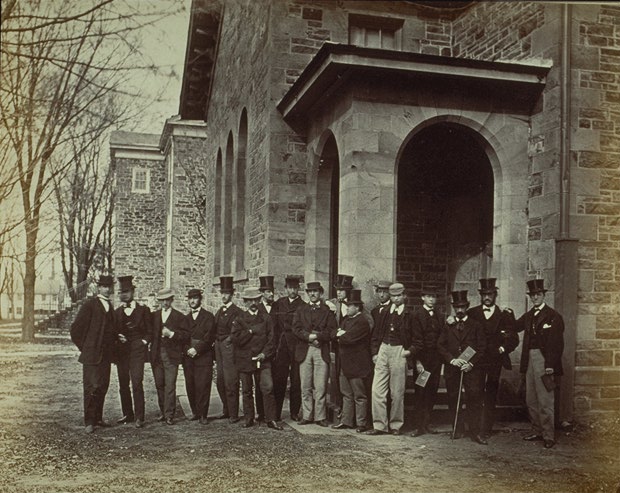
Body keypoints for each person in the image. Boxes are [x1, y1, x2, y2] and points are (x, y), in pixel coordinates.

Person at [515, 279, 565, 449]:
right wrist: (506, 314)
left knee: (545, 399)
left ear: (544, 295)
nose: (535, 297)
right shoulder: (529, 315)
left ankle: (548, 435)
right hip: (529, 358)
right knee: (531, 398)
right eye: (532, 295)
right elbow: (515, 326)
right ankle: (537, 430)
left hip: (545, 359)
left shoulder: (553, 316)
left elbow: (556, 344)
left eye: (538, 294)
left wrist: (550, 364)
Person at [467, 278, 519, 440]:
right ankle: (473, 428)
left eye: (490, 294)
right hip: (477, 361)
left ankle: (486, 428)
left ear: (495, 295)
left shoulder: (505, 314)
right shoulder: (472, 313)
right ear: (481, 296)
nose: (487, 297)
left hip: (495, 360)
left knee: (490, 394)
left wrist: (503, 348)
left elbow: (513, 338)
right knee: (475, 393)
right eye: (484, 294)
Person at [437, 290, 487, 445]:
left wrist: (471, 363)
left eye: (462, 307)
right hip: (453, 369)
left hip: (471, 370)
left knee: (474, 398)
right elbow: (440, 345)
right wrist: (452, 360)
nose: (459, 310)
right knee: (453, 398)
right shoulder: (448, 325)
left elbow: (482, 347)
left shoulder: (476, 325)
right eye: (456, 307)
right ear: (453, 307)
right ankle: (457, 429)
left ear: (467, 307)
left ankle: (475, 432)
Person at [231, 287, 283, 430]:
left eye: (255, 300)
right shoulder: (239, 319)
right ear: (245, 302)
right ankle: (249, 418)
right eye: (250, 301)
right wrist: (250, 331)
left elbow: (272, 339)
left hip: (263, 359)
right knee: (247, 390)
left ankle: (270, 419)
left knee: (268, 388)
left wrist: (264, 354)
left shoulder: (266, 318)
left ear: (259, 300)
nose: (253, 303)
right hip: (245, 359)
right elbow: (236, 340)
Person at [366, 282, 415, 436]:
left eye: (399, 295)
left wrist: (409, 352)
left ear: (404, 296)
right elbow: (375, 334)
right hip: (383, 349)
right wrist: (375, 353)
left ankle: (396, 425)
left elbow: (417, 339)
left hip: (399, 350)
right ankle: (379, 425)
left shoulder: (410, 314)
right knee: (377, 390)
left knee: (397, 392)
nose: (396, 299)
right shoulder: (384, 312)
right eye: (393, 296)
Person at [70, 275, 116, 434]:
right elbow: (75, 330)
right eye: (104, 286)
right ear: (99, 287)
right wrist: (86, 347)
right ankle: (89, 421)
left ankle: (98, 418)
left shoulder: (110, 306)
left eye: (109, 286)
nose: (107, 289)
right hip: (92, 356)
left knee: (102, 386)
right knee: (91, 387)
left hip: (106, 356)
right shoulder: (90, 305)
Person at [293, 281, 338, 427]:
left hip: (321, 350)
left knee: (320, 386)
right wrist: (309, 337)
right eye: (310, 291)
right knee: (305, 385)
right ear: (307, 293)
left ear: (321, 293)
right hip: (305, 350)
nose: (312, 294)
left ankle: (320, 416)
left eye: (315, 291)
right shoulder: (301, 310)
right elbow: (296, 328)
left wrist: (319, 337)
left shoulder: (327, 311)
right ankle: (307, 415)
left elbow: (332, 330)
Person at [113, 275, 152, 428]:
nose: (124, 295)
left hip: (137, 352)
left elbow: (150, 332)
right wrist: (118, 337)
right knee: (123, 384)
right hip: (122, 353)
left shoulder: (143, 310)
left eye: (127, 291)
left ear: (133, 292)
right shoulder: (117, 313)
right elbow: (113, 331)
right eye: (122, 292)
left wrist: (143, 342)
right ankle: (128, 414)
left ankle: (139, 416)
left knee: (137, 382)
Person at [332, 289, 372, 432]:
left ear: (357, 307)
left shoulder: (362, 322)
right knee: (346, 394)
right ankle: (347, 421)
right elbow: (334, 334)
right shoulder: (347, 320)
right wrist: (340, 334)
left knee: (359, 395)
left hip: (357, 365)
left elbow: (349, 339)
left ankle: (361, 423)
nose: (347, 308)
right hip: (345, 364)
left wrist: (341, 335)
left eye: (349, 306)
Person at [150, 288, 189, 425]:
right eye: (162, 300)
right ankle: (163, 411)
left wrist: (171, 334)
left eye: (168, 300)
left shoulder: (179, 317)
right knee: (159, 384)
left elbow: (185, 336)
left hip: (171, 356)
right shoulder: (154, 316)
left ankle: (169, 414)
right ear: (159, 301)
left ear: (172, 300)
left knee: (170, 385)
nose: (165, 303)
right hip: (156, 355)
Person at [410, 287, 442, 437]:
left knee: (432, 391)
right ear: (422, 298)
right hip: (422, 361)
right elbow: (414, 339)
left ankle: (428, 423)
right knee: (421, 391)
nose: (431, 299)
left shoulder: (439, 315)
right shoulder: (416, 315)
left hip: (436, 360)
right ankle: (418, 426)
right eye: (428, 296)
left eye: (433, 296)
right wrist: (417, 361)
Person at [272, 275, 305, 421]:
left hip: (296, 346)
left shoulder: (303, 306)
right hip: (281, 346)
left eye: (295, 288)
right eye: (290, 288)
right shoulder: (279, 304)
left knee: (296, 380)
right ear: (285, 289)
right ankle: (276, 412)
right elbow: (273, 326)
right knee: (279, 379)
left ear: (298, 289)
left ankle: (294, 412)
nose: (292, 291)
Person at [182, 288, 215, 425]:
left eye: (195, 298)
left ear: (200, 299)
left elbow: (209, 337)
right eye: (190, 298)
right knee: (190, 384)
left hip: (203, 355)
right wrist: (188, 349)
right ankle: (195, 412)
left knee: (203, 385)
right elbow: (182, 337)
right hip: (188, 356)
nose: (192, 301)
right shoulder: (186, 318)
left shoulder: (208, 316)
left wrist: (197, 349)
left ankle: (203, 414)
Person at [213, 276, 243, 423]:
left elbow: (237, 332)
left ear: (232, 294)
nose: (224, 296)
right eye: (222, 293)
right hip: (219, 349)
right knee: (220, 380)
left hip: (229, 349)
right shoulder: (219, 311)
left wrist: (228, 340)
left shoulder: (237, 312)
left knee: (231, 381)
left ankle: (234, 413)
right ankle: (226, 409)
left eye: (227, 293)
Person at [326, 274, 354, 419]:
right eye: (337, 290)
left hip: (350, 348)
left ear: (348, 291)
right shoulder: (333, 304)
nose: (339, 293)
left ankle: (348, 411)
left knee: (347, 378)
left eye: (342, 290)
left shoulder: (354, 305)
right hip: (335, 347)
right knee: (335, 376)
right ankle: (338, 407)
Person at [255, 275, 277, 422]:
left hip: (276, 349)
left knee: (272, 383)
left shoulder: (278, 306)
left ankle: (273, 414)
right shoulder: (257, 309)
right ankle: (261, 413)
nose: (271, 294)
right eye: (268, 291)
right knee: (259, 384)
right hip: (260, 352)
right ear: (262, 293)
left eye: (272, 291)